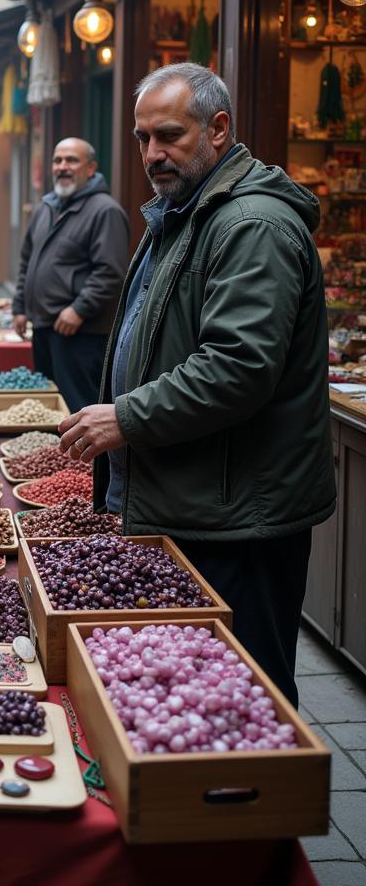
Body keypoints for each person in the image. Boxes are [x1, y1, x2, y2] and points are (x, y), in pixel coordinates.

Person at [58, 63, 336, 706]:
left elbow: (238, 366)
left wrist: (125, 417)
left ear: (218, 129)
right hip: (200, 498)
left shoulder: (250, 225)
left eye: (169, 135)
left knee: (249, 692)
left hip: (241, 515)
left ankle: (264, 806)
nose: (153, 153)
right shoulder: (186, 211)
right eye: (141, 138)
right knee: (198, 690)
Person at [11, 138, 129, 411]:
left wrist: (79, 309)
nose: (62, 167)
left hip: (81, 331)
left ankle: (83, 458)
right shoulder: (46, 208)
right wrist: (20, 307)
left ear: (91, 168)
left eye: (71, 161)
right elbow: (27, 261)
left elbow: (110, 272)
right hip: (43, 326)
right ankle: (56, 455)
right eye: (57, 160)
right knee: (49, 407)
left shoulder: (105, 210)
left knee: (78, 407)